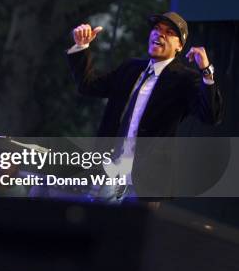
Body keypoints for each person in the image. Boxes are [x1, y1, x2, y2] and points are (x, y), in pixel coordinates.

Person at [67, 12, 222, 197]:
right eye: (156, 29)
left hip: (146, 180)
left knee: (130, 225)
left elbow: (211, 116)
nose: (160, 34)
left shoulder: (185, 79)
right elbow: (88, 86)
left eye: (169, 32)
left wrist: (206, 71)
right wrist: (82, 45)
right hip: (108, 170)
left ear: (179, 46)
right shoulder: (131, 68)